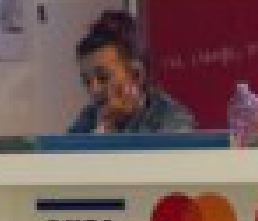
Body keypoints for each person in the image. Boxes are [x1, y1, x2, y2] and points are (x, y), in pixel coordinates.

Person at [67, 9, 196, 134]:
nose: (94, 89)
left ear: (136, 75)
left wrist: (109, 128)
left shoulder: (175, 121)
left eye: (103, 77)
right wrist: (104, 126)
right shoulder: (88, 118)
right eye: (86, 81)